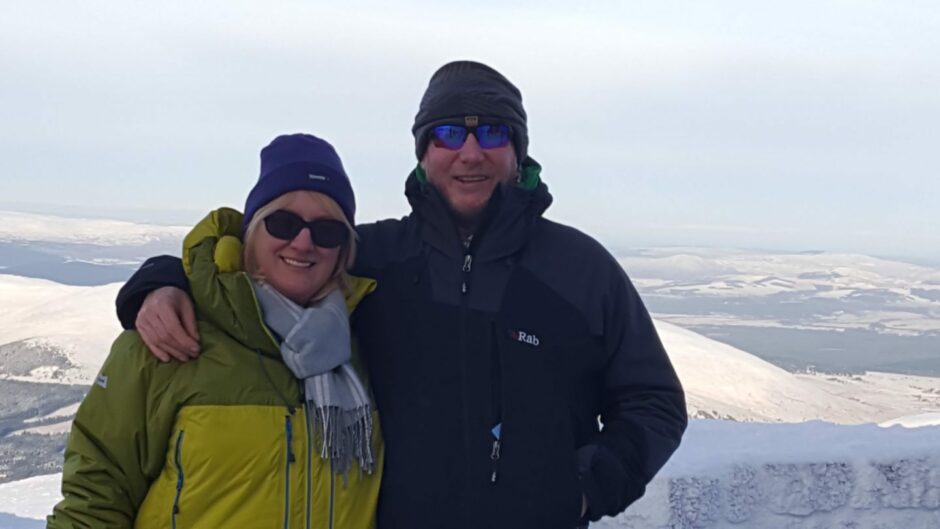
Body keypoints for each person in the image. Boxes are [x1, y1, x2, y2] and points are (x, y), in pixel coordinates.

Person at [116, 61, 687, 528]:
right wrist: (158, 281)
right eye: (448, 133)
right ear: (422, 151)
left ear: (517, 155)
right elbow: (261, 265)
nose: (469, 151)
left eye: (491, 132)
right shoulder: (372, 258)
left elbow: (654, 399)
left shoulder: (579, 270)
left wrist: (586, 489)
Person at [49, 134, 382, 528]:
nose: (304, 241)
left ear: (344, 249)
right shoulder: (170, 337)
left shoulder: (368, 340)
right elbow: (95, 500)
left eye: (328, 230)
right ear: (252, 230)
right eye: (283, 223)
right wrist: (158, 283)